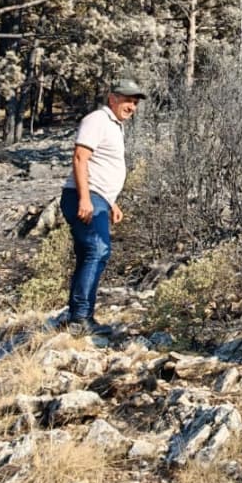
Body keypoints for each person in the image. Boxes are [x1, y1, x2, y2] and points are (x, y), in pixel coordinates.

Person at [59, 79, 147, 335]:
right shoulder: (97, 120)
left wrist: (111, 202)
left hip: (98, 198)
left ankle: (77, 315)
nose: (132, 106)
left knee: (90, 253)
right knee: (97, 249)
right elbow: (80, 158)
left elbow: (99, 166)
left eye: (135, 102)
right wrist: (86, 199)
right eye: (127, 100)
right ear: (112, 98)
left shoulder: (114, 126)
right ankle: (80, 319)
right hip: (83, 196)